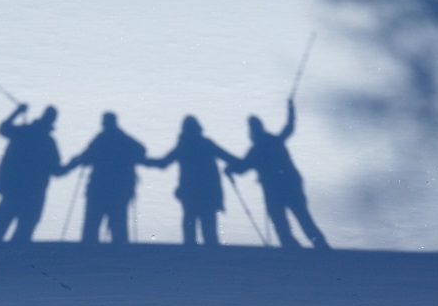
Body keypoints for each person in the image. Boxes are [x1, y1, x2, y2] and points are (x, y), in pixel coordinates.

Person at [225, 99, 329, 249]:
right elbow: (289, 127)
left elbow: (242, 168)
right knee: (302, 217)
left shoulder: (256, 150)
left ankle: (292, 249)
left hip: (274, 190)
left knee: (281, 222)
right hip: (291, 185)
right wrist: (291, 109)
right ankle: (321, 247)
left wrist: (230, 168)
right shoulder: (274, 141)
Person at [147, 116, 240, 246]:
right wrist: (234, 167)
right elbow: (229, 158)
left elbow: (163, 163)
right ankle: (212, 256)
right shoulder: (206, 144)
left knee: (189, 228)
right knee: (209, 230)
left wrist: (142, 160)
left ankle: (191, 255)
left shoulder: (183, 145)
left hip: (189, 193)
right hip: (208, 193)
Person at [0, 104, 63, 245]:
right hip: (33, 192)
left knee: (0, 225)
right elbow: (57, 170)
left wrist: (18, 111)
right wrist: (76, 162)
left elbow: (4, 128)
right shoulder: (48, 142)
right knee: (23, 230)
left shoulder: (25, 132)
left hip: (15, 189)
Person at [62, 112, 147, 244]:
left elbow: (86, 157)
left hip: (99, 189)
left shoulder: (101, 139)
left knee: (92, 224)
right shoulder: (123, 139)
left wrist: (74, 162)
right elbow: (141, 150)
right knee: (118, 225)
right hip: (119, 190)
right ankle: (120, 252)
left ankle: (89, 252)